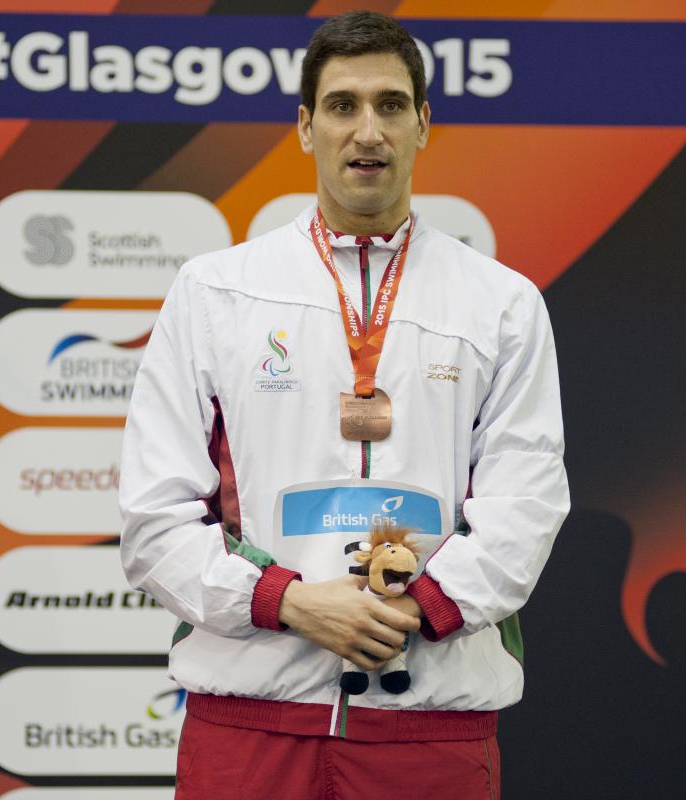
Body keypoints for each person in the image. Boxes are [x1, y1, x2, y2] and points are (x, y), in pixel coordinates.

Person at [119, 10, 569, 799]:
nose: (369, 130)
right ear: (304, 126)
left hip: (431, 730)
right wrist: (286, 603)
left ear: (425, 125)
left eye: (392, 105)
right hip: (251, 726)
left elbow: (526, 505)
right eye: (343, 105)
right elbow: (155, 520)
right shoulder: (215, 292)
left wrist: (422, 609)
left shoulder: (502, 303)